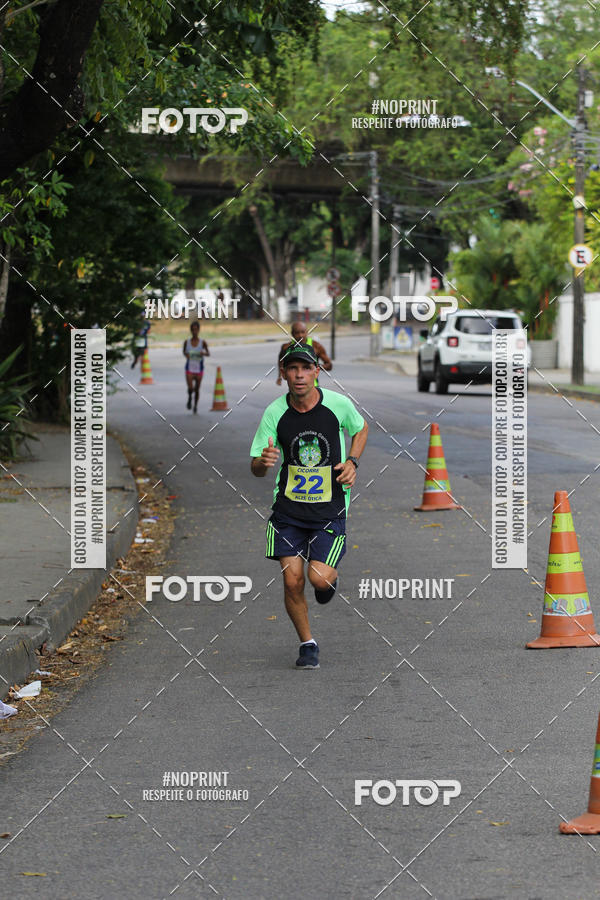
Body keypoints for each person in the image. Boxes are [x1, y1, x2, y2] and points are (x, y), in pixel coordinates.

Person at [251, 342, 368, 669]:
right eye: (293, 369)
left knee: (318, 579)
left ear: (317, 372)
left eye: (306, 368)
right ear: (284, 374)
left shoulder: (337, 404)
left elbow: (361, 428)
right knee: (292, 581)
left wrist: (353, 462)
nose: (299, 375)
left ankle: (327, 578)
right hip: (288, 512)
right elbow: (256, 467)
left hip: (329, 510)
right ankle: (307, 644)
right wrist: (263, 461)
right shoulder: (275, 412)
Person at [276, 321, 332, 386]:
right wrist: (279, 376)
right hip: (294, 386)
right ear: (292, 333)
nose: (300, 335)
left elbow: (329, 365)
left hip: (313, 387)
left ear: (307, 332)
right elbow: (281, 362)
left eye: (303, 332)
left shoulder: (316, 346)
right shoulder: (286, 347)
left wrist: (313, 367)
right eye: (297, 333)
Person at [183, 320, 209, 413]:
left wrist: (203, 353)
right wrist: (187, 356)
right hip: (189, 368)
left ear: (199, 330)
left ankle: (195, 406)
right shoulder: (187, 342)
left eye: (196, 329)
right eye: (193, 330)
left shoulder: (203, 342)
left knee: (197, 389)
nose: (194, 331)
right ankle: (190, 397)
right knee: (191, 388)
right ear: (190, 330)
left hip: (199, 368)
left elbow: (208, 353)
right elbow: (184, 352)